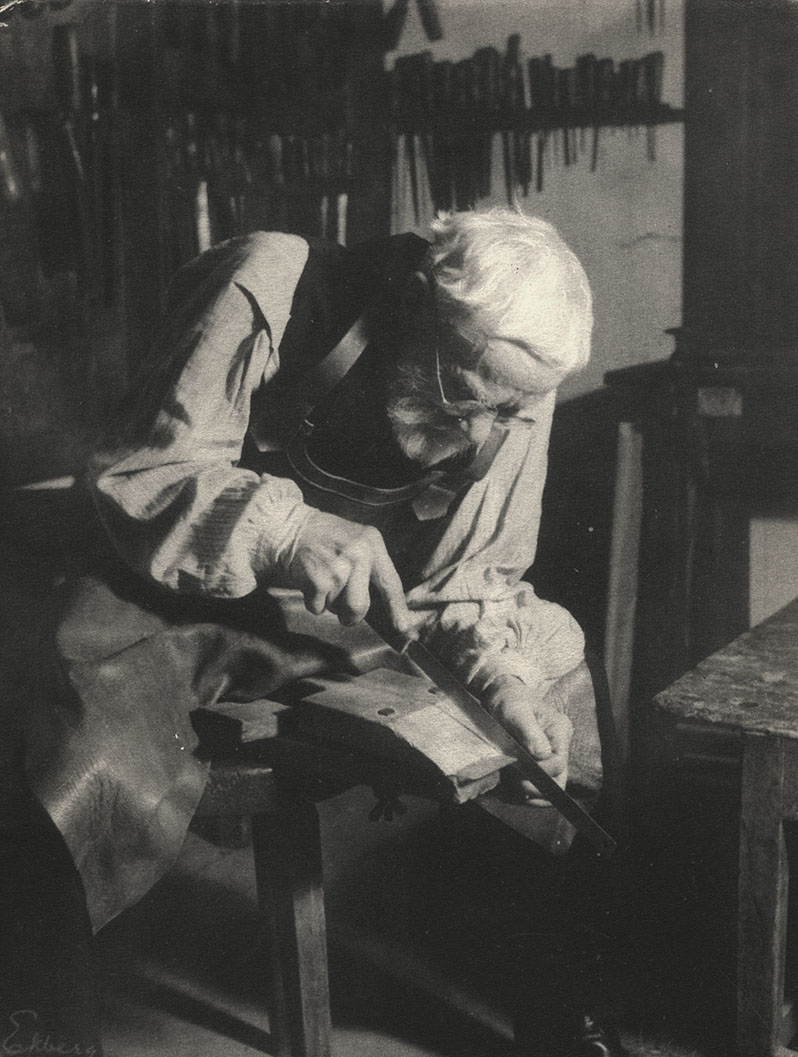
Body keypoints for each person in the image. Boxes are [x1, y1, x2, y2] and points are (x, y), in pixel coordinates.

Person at [20, 207, 627, 1056]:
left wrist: (503, 684)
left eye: (506, 410)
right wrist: (288, 531)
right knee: (78, 727)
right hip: (174, 580)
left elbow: (471, 582)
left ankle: (562, 1015)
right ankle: (39, 1020)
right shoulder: (269, 282)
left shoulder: (515, 385)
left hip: (355, 613)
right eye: (466, 393)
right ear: (415, 299)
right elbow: (143, 471)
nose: (480, 431)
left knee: (558, 688)